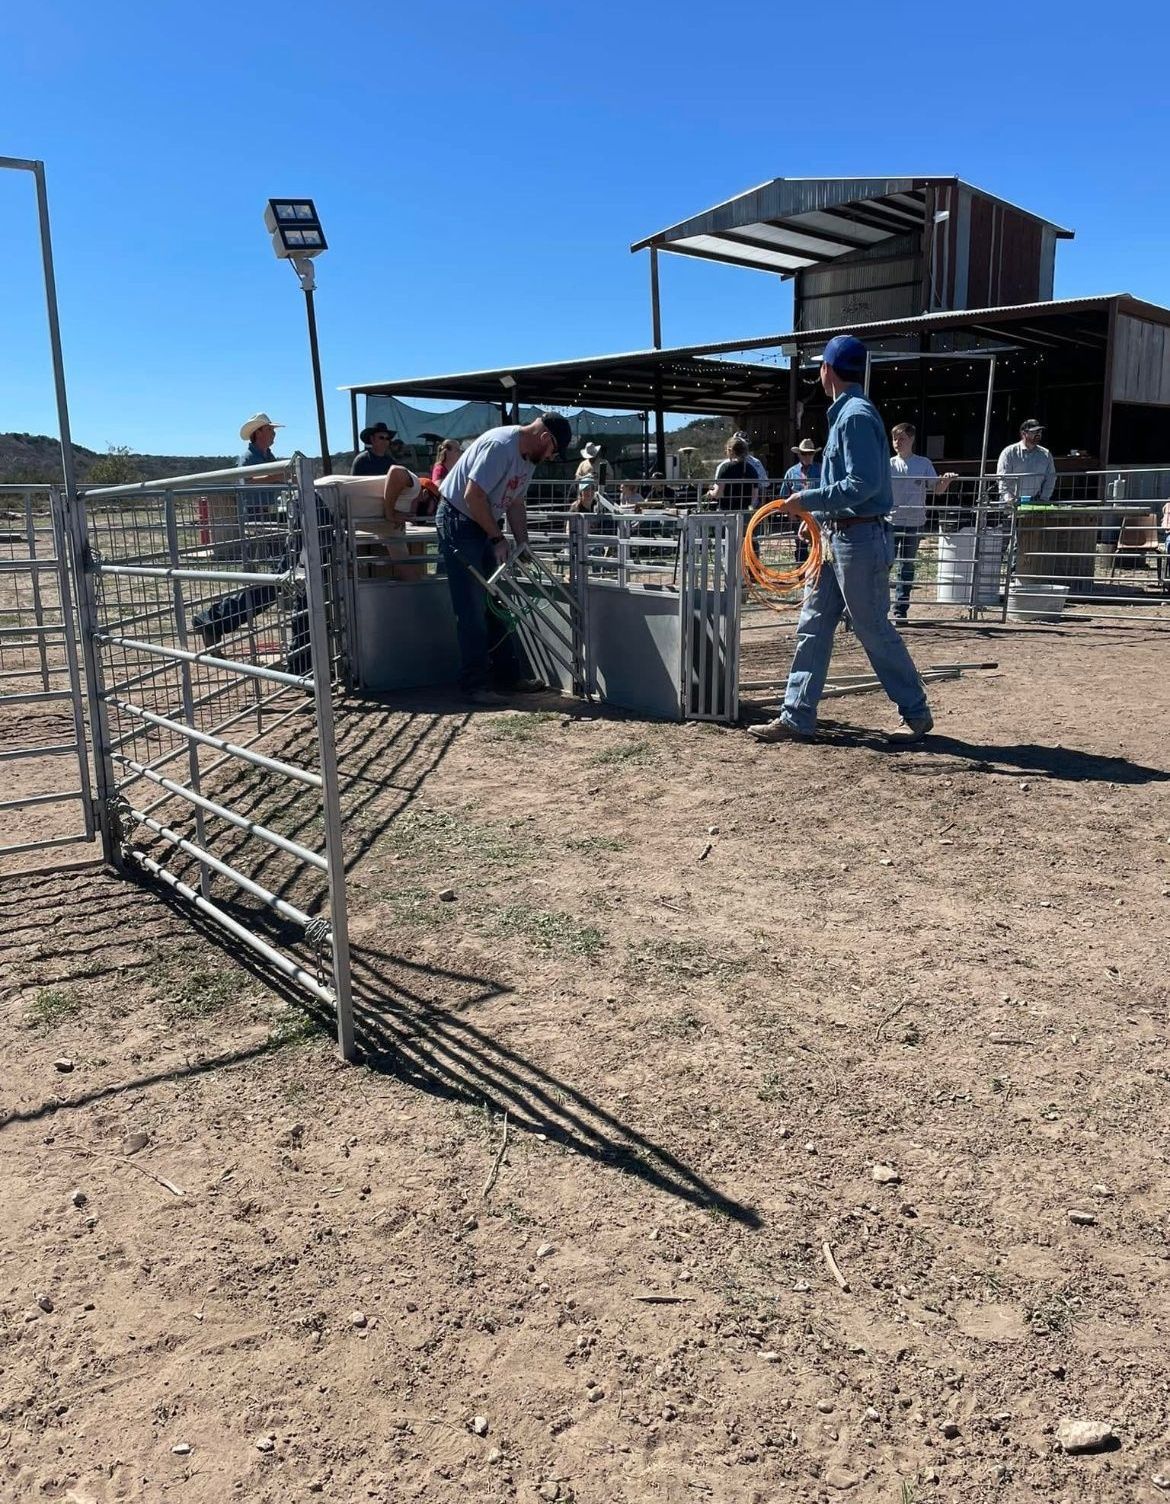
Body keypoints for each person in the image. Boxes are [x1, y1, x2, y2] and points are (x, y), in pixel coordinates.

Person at [749, 335, 933, 745]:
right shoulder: (851, 414)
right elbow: (852, 484)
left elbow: (862, 483)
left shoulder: (852, 417)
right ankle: (796, 715)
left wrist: (807, 500)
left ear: (827, 370)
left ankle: (916, 711)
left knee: (871, 628)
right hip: (844, 538)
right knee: (814, 623)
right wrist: (817, 515)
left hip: (858, 540)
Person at [436, 412, 572, 702]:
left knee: (496, 600)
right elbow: (473, 496)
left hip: (484, 521)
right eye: (553, 450)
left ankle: (508, 676)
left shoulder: (528, 458)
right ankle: (475, 684)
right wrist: (497, 538)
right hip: (459, 519)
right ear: (545, 438)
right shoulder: (500, 446)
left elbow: (516, 502)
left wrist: (523, 546)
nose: (550, 457)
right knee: (472, 605)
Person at [192, 413, 309, 668]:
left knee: (274, 583)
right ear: (259, 433)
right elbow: (251, 480)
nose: (274, 433)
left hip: (270, 522)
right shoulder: (251, 459)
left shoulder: (267, 458)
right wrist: (283, 476)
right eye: (270, 429)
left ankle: (214, 619)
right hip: (258, 524)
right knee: (274, 583)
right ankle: (213, 618)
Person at [888, 423, 957, 622]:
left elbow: (936, 489)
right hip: (892, 520)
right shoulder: (888, 464)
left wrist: (946, 481)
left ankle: (900, 610)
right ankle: (881, 607)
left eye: (901, 438)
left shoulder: (923, 463)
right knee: (886, 564)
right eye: (895, 439)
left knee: (907, 566)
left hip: (914, 521)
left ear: (911, 440)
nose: (897, 443)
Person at [780, 438, 823, 564]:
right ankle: (802, 574)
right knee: (800, 546)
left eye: (810, 453)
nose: (807, 456)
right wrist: (790, 513)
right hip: (798, 515)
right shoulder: (791, 472)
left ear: (814, 454)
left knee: (820, 544)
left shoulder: (822, 470)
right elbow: (784, 495)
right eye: (804, 453)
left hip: (818, 514)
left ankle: (818, 572)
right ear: (799, 454)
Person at [997, 419, 1056, 506]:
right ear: (1024, 433)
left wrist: (1044, 499)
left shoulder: (1046, 454)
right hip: (1011, 504)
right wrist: (1008, 498)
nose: (1038, 434)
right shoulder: (1009, 452)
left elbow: (1051, 478)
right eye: (1034, 432)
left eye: (1039, 431)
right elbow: (1002, 478)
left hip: (1035, 503)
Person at [707, 436, 760, 513]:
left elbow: (718, 493)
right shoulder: (752, 469)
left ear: (730, 450)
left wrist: (710, 493)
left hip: (726, 512)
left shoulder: (725, 467)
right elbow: (754, 497)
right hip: (744, 512)